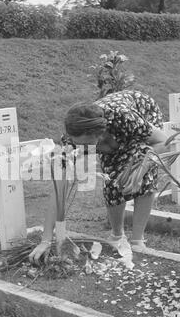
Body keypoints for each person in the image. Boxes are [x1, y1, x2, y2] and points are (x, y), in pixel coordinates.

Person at [29, 89, 169, 265]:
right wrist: (46, 240)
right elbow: (59, 188)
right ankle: (117, 234)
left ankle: (137, 240)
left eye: (85, 145)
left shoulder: (124, 119)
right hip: (111, 132)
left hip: (142, 112)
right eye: (76, 144)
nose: (79, 149)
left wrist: (140, 169)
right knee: (112, 178)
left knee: (142, 172)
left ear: (98, 135)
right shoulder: (71, 140)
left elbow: (163, 141)